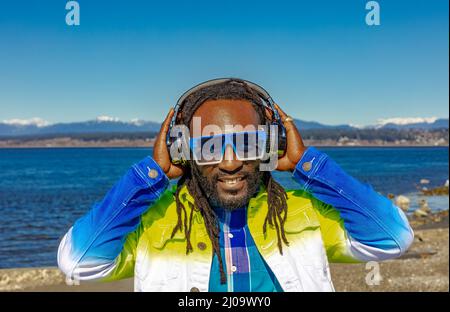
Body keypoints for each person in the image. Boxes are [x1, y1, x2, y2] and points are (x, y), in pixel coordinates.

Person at [57, 78, 414, 292]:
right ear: (183, 151)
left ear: (270, 147)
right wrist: (148, 177)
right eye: (210, 146)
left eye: (247, 143)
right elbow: (78, 262)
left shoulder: (303, 213)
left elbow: (392, 238)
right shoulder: (154, 222)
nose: (230, 162)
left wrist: (310, 167)